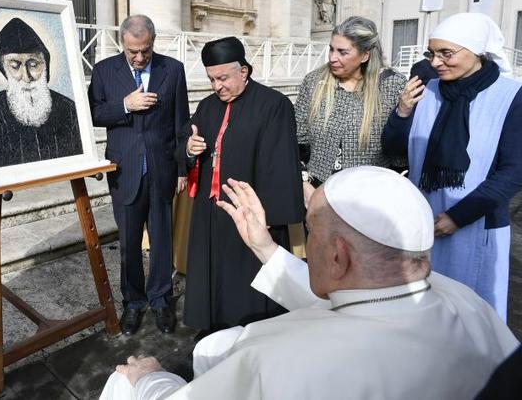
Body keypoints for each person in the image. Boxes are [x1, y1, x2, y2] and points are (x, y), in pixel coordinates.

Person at [99, 167, 518, 400]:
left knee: (123, 381)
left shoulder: (282, 363)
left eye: (310, 230)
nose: (305, 239)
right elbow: (360, 303)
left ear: (338, 254)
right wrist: (265, 246)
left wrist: (149, 379)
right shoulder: (466, 301)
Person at [382, 12, 522, 320]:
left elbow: (513, 171)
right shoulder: (428, 91)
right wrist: (403, 111)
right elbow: (394, 150)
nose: (435, 62)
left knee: (474, 316)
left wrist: (458, 217)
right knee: (427, 311)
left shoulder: (510, 97)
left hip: (477, 221)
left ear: (477, 53)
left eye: (447, 54)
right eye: (432, 53)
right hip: (426, 220)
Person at [179, 36, 304, 334]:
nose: (216, 87)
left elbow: (280, 166)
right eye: (211, 79)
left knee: (247, 281)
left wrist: (268, 222)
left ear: (244, 72)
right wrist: (189, 148)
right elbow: (185, 143)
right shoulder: (208, 106)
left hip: (250, 213)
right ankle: (213, 326)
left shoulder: (274, 105)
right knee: (212, 274)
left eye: (223, 78)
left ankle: (250, 330)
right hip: (211, 213)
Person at [88, 15, 189, 335]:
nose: (139, 57)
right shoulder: (105, 70)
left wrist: (182, 168)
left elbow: (181, 124)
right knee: (129, 243)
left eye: (145, 50)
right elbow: (93, 113)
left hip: (162, 169)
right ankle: (132, 302)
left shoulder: (172, 70)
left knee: (161, 240)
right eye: (133, 51)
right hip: (125, 170)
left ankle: (161, 300)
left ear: (153, 42)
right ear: (122, 44)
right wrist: (125, 105)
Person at [295, 16, 406, 205]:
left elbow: (399, 153)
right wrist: (305, 185)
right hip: (318, 193)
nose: (332, 58)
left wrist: (403, 114)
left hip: (370, 197)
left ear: (365, 55)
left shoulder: (391, 84)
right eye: (331, 49)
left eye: (342, 52)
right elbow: (297, 140)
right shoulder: (314, 82)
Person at [0, 17, 83, 167]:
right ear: (3, 68)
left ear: (46, 66)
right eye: (15, 66)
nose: (26, 77)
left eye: (33, 65)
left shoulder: (69, 109)